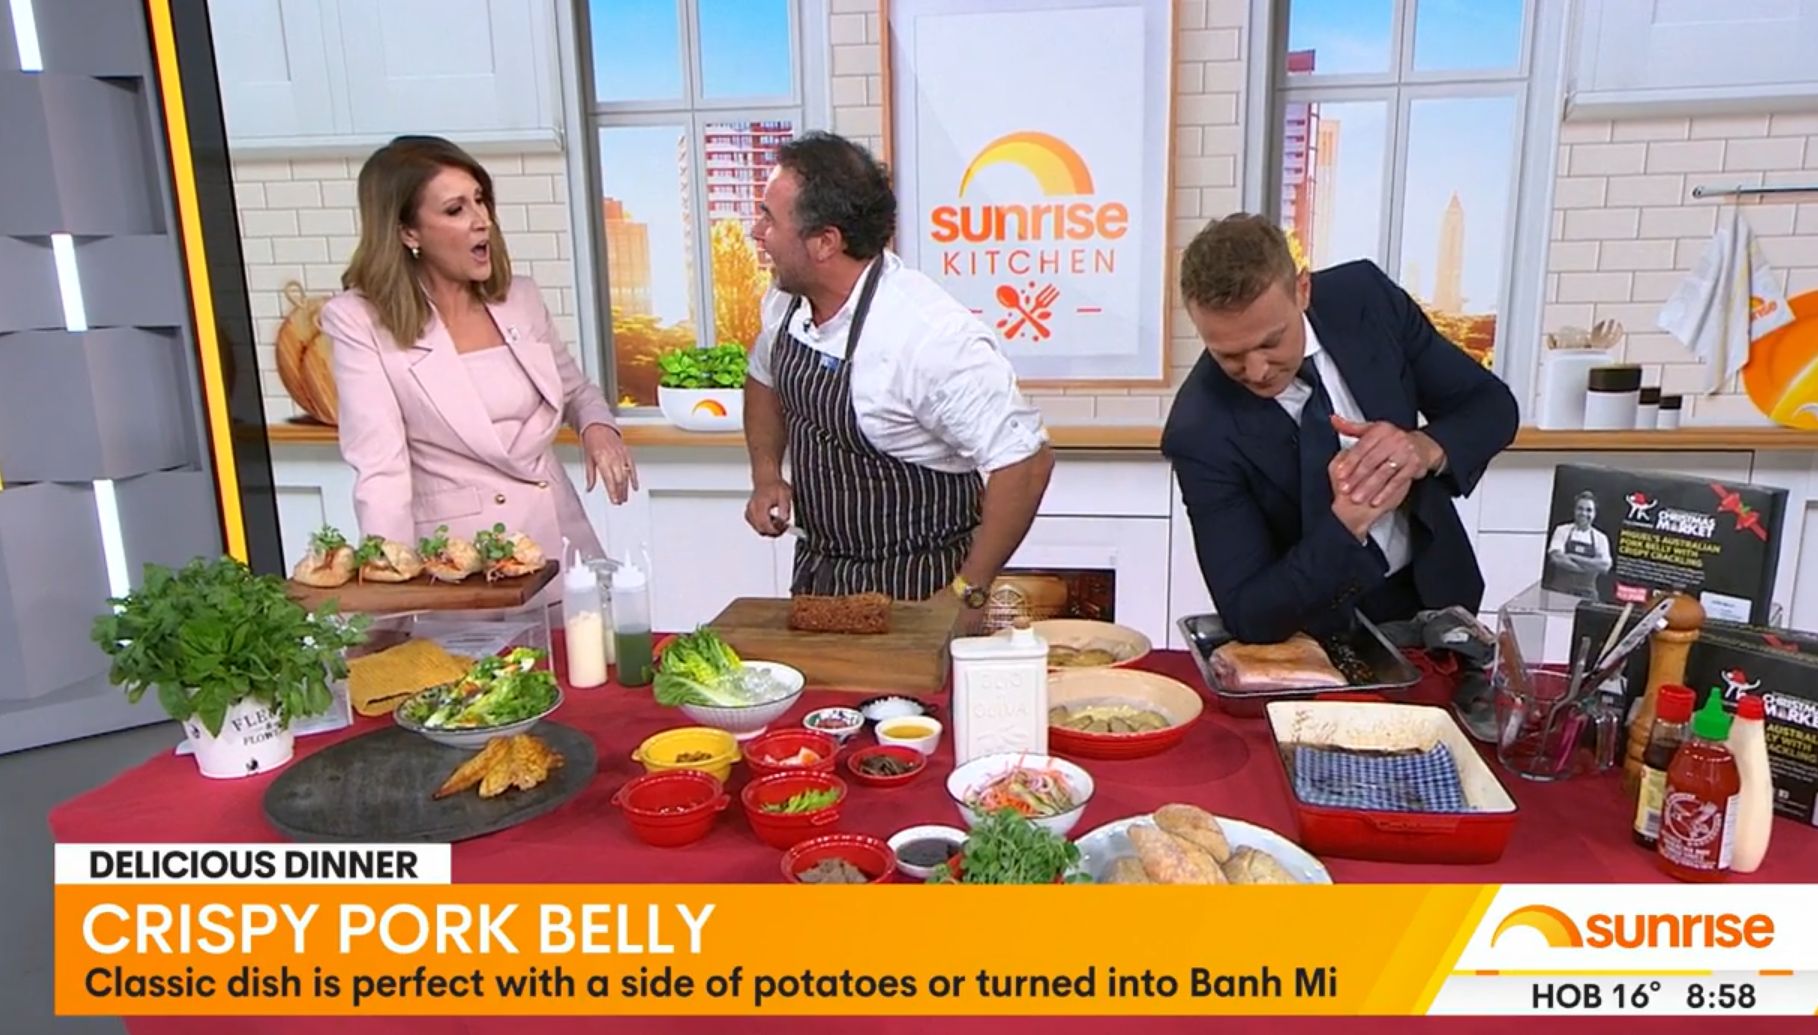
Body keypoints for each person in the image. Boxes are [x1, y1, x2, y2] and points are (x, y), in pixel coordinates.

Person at [1162, 214, 1519, 645]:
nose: (1256, 371)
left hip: (1444, 601)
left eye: (1271, 342)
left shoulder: (1365, 298)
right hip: (1320, 640)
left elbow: (1491, 406)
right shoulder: (1198, 430)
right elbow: (1248, 613)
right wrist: (1347, 523)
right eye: (1228, 356)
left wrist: (1422, 448)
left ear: (1302, 290)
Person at [742, 131, 1053, 611]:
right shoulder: (785, 302)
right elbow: (763, 376)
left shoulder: (930, 338)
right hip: (819, 574)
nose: (756, 232)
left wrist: (967, 593)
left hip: (918, 588)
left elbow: (1026, 463)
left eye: (769, 218)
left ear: (825, 242)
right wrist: (766, 474)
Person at [321, 135, 637, 571]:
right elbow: (382, 472)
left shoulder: (520, 298)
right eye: (456, 210)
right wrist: (390, 581)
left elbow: (576, 392)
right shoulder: (359, 321)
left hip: (559, 541)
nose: (482, 220)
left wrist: (598, 427)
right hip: (464, 565)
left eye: (480, 200)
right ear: (408, 232)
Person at [1545, 490, 1613, 599]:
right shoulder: (1562, 530)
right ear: (1574, 510)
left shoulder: (1601, 538)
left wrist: (1572, 557)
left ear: (1594, 513)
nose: (1584, 513)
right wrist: (1588, 567)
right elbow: (1556, 558)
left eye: (1589, 510)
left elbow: (1604, 566)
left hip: (1587, 595)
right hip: (1560, 591)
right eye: (1580, 508)